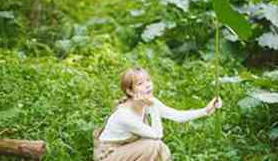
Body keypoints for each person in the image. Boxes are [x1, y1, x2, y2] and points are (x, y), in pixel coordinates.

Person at [93, 67, 222, 161]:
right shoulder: (125, 115)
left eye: (148, 80)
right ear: (130, 91)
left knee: (160, 148)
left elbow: (176, 116)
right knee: (152, 145)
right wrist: (153, 107)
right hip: (108, 155)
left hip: (127, 149)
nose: (147, 85)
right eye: (140, 83)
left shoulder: (147, 102)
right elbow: (157, 135)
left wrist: (205, 111)